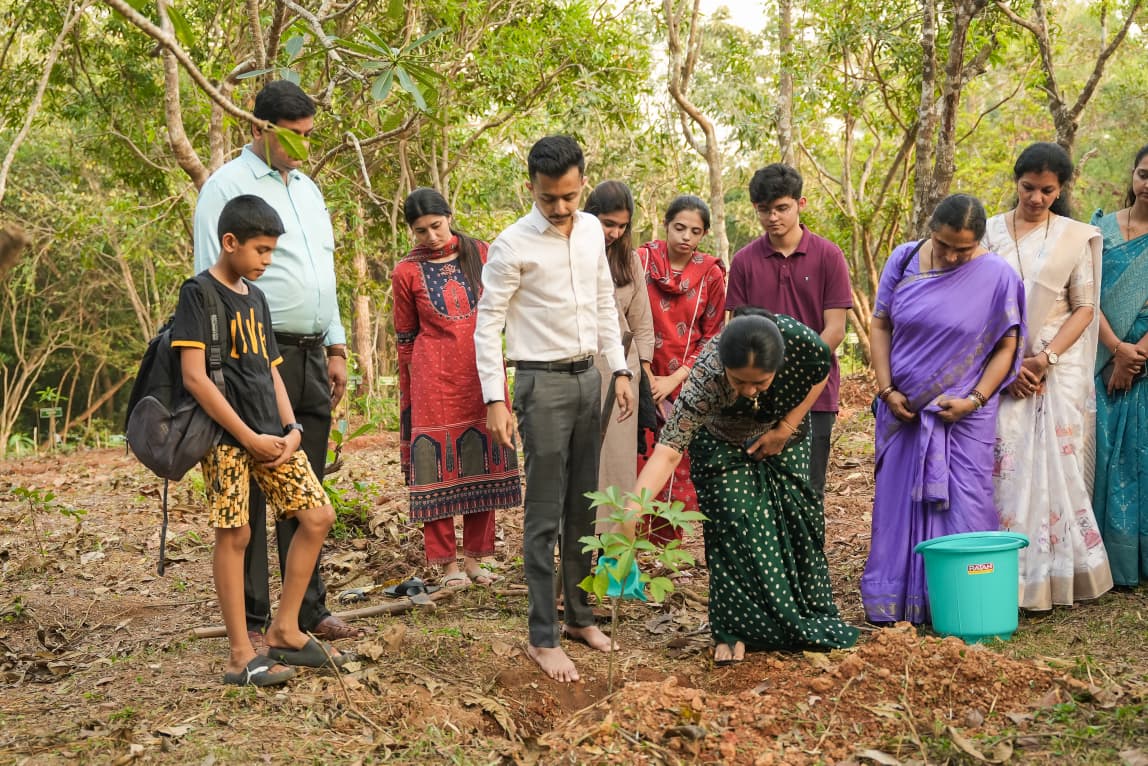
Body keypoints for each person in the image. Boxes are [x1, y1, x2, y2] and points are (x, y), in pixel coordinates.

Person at [193, 81, 362, 644]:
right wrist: (225, 368)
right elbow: (209, 278)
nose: (305, 147)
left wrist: (337, 344)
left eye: (311, 137)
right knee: (251, 481)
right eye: (296, 137)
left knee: (303, 478)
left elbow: (325, 270)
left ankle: (305, 610)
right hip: (255, 355)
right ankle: (254, 615)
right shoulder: (226, 186)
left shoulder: (309, 192)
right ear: (259, 128)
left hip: (312, 351)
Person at [474, 135, 634, 683]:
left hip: (590, 378)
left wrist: (620, 368)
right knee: (543, 514)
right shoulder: (510, 245)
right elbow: (487, 324)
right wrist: (495, 398)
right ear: (531, 189)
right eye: (549, 199)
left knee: (583, 507)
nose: (561, 209)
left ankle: (579, 617)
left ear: (582, 183)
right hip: (539, 384)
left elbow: (603, 301)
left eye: (569, 196)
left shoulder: (591, 230)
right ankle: (542, 635)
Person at [175, 195, 342, 686]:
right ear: (230, 242)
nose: (268, 260)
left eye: (272, 251)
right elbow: (195, 378)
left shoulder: (257, 296)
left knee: (317, 516)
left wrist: (291, 430)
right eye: (261, 250)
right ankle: (239, 655)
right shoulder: (199, 294)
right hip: (227, 438)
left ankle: (286, 629)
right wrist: (247, 436)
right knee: (237, 534)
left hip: (272, 434)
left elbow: (270, 369)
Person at [627, 309, 858, 663]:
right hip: (721, 441)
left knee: (801, 521)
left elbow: (819, 374)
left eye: (760, 383)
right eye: (739, 382)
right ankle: (734, 630)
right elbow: (669, 452)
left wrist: (784, 430)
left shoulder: (801, 345)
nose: (749, 390)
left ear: (778, 366)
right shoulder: (704, 379)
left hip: (784, 431)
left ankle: (806, 617)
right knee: (733, 526)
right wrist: (632, 509)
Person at [862, 194, 1025, 624]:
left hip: (965, 417)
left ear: (979, 244)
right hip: (903, 412)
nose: (952, 256)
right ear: (930, 230)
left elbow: (1007, 344)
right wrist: (886, 388)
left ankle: (965, 605)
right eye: (943, 245)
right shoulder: (903, 259)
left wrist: (975, 399)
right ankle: (896, 603)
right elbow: (881, 323)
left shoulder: (997, 276)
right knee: (896, 509)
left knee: (966, 505)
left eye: (964, 250)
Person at [984, 142, 1113, 610]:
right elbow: (978, 300)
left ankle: (1055, 572)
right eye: (1028, 187)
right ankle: (1006, 574)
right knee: (1007, 462)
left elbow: (1084, 308)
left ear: (1060, 191)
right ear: (1015, 182)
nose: (1036, 198)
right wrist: (1012, 364)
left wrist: (1045, 360)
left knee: (1055, 466)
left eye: (1047, 190)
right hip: (1001, 364)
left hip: (1054, 369)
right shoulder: (989, 231)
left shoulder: (1073, 237)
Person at [393, 188, 521, 586]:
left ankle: (476, 561)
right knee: (436, 464)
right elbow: (405, 338)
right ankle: (447, 564)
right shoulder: (406, 272)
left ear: (449, 215)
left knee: (485, 455)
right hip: (432, 376)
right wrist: (409, 393)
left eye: (436, 225)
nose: (430, 236)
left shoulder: (482, 253)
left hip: (481, 369)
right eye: (420, 231)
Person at [726, 163, 853, 498]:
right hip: (757, 393)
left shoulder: (829, 256)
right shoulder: (743, 261)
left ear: (801, 204)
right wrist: (762, 378)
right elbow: (735, 328)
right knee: (757, 491)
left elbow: (836, 330)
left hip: (816, 393)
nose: (773, 217)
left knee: (808, 491)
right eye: (764, 210)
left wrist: (796, 373)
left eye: (782, 208)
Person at [636, 195, 726, 545]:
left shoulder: (711, 274)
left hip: (685, 382)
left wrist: (676, 378)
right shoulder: (642, 261)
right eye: (679, 228)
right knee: (635, 455)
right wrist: (645, 376)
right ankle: (628, 537)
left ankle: (666, 546)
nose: (685, 237)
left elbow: (713, 335)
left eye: (695, 231)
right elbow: (623, 317)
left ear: (703, 234)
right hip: (637, 375)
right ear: (665, 225)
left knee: (675, 459)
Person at [1092, 143, 1148, 589]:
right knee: (1103, 450)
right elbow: (1086, 297)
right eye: (1145, 174)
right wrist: (1115, 350)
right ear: (1132, 175)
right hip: (1098, 354)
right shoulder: (1100, 229)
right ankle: (1102, 559)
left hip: (1142, 360)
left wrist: (1135, 356)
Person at [584, 181, 654, 522]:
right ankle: (574, 549)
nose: (614, 232)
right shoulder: (572, 253)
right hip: (580, 368)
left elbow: (641, 322)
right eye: (607, 223)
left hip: (622, 373)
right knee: (581, 463)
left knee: (616, 465)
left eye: (622, 226)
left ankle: (612, 552)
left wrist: (644, 373)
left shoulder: (629, 260)